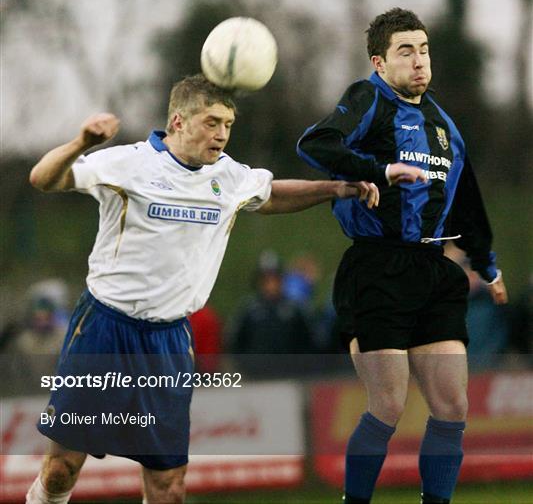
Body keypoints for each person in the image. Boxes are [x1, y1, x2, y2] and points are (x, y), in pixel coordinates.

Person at [26, 74, 381, 504]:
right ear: (178, 121)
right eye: (212, 122)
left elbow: (270, 195)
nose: (222, 134)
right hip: (104, 329)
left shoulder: (227, 177)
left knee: (169, 486)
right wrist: (82, 142)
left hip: (169, 341)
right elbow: (43, 178)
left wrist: (336, 189)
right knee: (62, 469)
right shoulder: (129, 164)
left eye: (228, 125)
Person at [297, 8, 508, 504]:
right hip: (377, 268)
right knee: (388, 405)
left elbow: (468, 201)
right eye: (405, 51)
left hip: (434, 270)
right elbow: (316, 142)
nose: (419, 61)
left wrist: (487, 264)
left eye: (424, 49)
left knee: (452, 406)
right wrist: (377, 169)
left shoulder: (445, 126)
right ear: (380, 61)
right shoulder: (369, 97)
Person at [231, 250, 317, 378]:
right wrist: (247, 367)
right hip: (257, 376)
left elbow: (307, 341)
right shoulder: (249, 310)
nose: (270, 285)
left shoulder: (293, 309)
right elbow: (237, 343)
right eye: (266, 280)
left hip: (289, 376)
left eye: (274, 279)